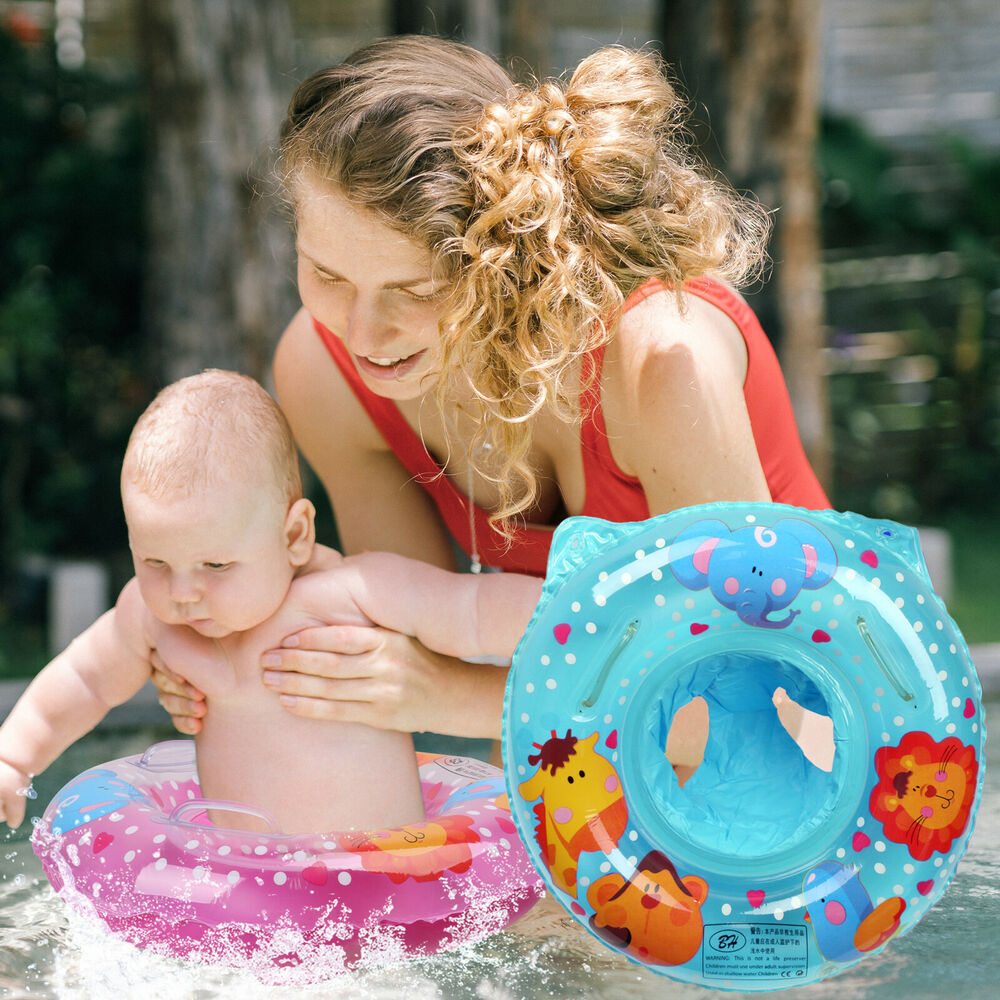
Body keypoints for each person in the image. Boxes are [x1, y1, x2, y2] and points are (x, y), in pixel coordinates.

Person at [152, 36, 830, 757]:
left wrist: (456, 696)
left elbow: (750, 708)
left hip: (831, 762)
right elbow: (396, 635)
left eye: (415, 291)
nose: (361, 331)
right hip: (583, 771)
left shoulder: (664, 362)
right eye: (328, 275)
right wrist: (231, 655)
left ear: (509, 260)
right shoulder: (326, 373)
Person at [0, 370, 541, 832]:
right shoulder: (150, 618)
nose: (183, 593)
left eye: (215, 565)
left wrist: (581, 615)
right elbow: (84, 680)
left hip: (381, 882)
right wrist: (13, 757)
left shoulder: (357, 593)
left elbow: (475, 611)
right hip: (245, 887)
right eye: (155, 563)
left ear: (293, 536)